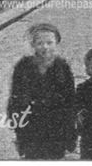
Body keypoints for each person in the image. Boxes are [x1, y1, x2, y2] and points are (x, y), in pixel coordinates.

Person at [7, 23, 77, 159]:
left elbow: (71, 99)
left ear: (56, 43)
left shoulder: (62, 67)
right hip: (31, 126)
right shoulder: (23, 66)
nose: (45, 47)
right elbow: (15, 97)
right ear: (33, 45)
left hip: (56, 126)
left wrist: (70, 131)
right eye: (40, 43)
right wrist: (17, 124)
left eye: (49, 43)